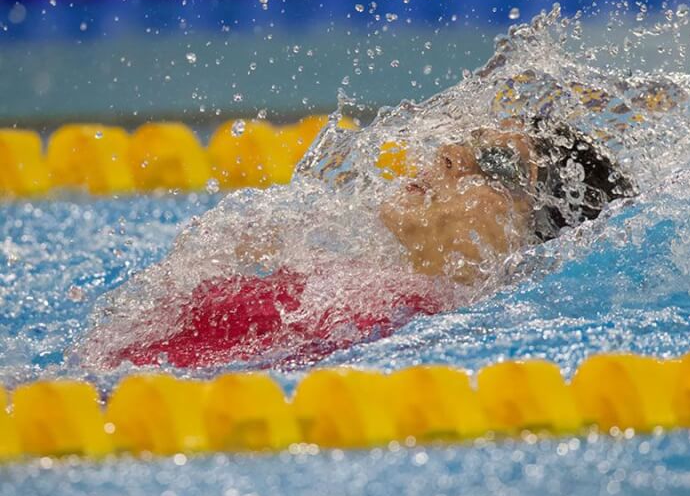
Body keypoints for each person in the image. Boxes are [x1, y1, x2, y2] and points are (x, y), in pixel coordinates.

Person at [107, 115, 634, 369]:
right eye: (467, 141)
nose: (450, 152)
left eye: (494, 165)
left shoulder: (408, 321)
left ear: (534, 237)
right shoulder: (358, 286)